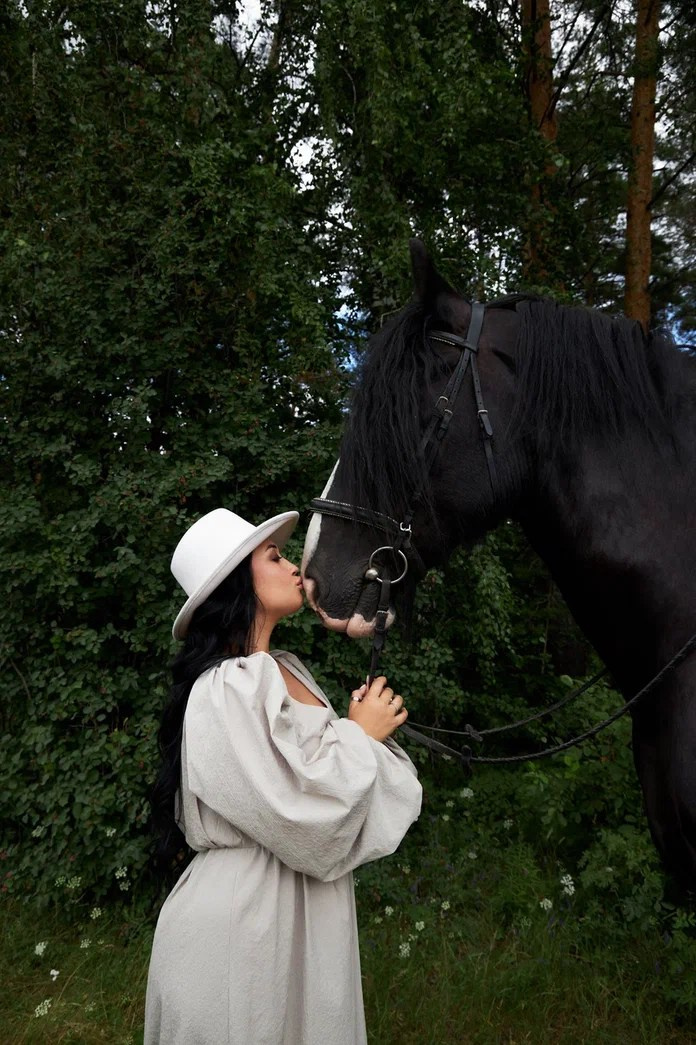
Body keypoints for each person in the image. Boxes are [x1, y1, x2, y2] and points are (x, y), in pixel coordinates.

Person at [144, 507, 423, 1045]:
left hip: (301, 916)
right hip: (245, 928)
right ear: (234, 584)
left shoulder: (284, 671)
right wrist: (358, 736)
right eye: (274, 557)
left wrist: (361, 732)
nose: (295, 566)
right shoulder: (227, 687)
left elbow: (331, 792)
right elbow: (299, 810)